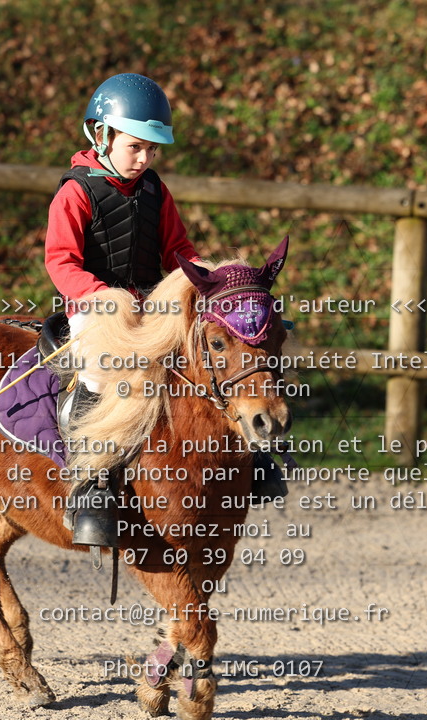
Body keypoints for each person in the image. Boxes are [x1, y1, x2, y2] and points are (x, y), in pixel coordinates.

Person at [44, 73, 283, 548]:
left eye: (152, 150)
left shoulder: (155, 190)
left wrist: (208, 280)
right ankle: (92, 483)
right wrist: (100, 296)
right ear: (101, 135)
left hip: (153, 306)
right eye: (135, 147)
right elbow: (60, 261)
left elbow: (178, 250)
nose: (144, 158)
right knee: (100, 375)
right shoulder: (75, 193)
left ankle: (251, 453)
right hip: (96, 308)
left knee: (210, 356)